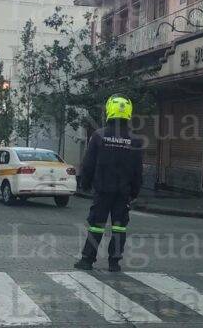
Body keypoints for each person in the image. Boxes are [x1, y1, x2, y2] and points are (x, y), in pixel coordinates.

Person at [74, 94, 143, 273]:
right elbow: (138, 170)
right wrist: (134, 192)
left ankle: (87, 260)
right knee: (119, 227)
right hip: (123, 192)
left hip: (103, 190)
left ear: (109, 110)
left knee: (96, 225)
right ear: (128, 112)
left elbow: (88, 163)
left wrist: (84, 183)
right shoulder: (135, 140)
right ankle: (114, 262)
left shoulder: (99, 136)